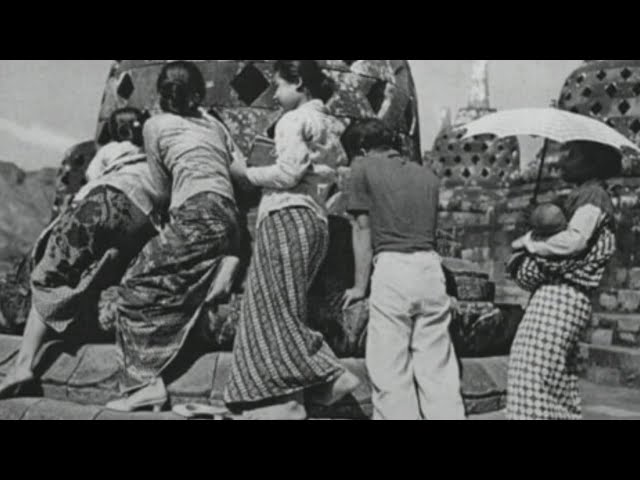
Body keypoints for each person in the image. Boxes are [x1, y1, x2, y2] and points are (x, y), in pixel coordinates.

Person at [223, 60, 360, 420]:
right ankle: (300, 394)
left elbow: (288, 172)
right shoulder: (331, 124)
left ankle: (320, 378)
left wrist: (245, 173)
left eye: (280, 86)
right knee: (285, 305)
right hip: (315, 219)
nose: (276, 94)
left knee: (269, 308)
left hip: (285, 215)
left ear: (299, 83)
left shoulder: (293, 120)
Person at [106, 61, 243, 412]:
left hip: (195, 213)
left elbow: (162, 188)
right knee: (179, 276)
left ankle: (146, 383)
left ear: (160, 92)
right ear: (199, 94)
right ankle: (224, 260)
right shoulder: (214, 124)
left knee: (136, 286)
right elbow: (236, 171)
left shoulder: (154, 126)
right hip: (229, 216)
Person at [0, 108, 161, 399]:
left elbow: (91, 182)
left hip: (105, 200)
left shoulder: (110, 150)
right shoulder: (154, 156)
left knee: (49, 274)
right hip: (144, 218)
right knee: (96, 266)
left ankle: (23, 365)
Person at [340, 118, 466, 420]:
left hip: (393, 269)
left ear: (360, 148)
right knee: (438, 370)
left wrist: (359, 286)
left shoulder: (362, 168)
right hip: (430, 270)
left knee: (391, 370)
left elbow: (362, 230)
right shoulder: (427, 176)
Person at [508, 140, 620, 420]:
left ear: (592, 163)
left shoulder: (593, 196)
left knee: (531, 374)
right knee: (553, 380)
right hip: (559, 296)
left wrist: (530, 242)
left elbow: (574, 242)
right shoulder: (582, 196)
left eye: (573, 154)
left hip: (563, 296)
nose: (563, 160)